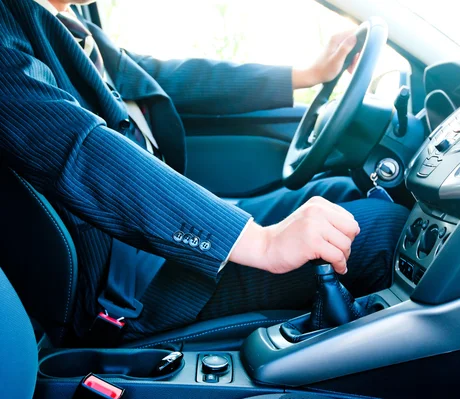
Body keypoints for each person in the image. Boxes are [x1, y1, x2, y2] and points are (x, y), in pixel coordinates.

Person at [0, 0, 409, 343]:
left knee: (336, 194)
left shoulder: (71, 24)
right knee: (386, 232)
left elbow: (157, 77)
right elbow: (81, 149)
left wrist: (305, 76)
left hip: (149, 246)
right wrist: (260, 242)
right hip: (129, 284)